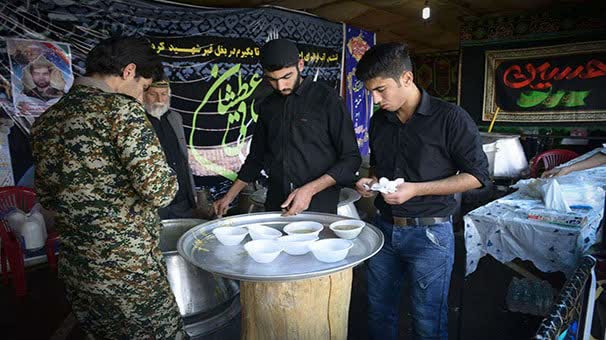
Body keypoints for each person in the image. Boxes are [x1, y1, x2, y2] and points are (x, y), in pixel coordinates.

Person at [31, 37, 183, 339]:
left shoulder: (47, 121)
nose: (141, 96)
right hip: (129, 272)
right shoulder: (121, 112)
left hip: (78, 270)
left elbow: (47, 197)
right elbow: (160, 192)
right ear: (129, 71)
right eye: (143, 87)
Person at [355, 43, 490, 340]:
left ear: (406, 78)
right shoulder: (379, 121)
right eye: (371, 93)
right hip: (384, 231)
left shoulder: (450, 118)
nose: (375, 100)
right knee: (378, 311)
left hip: (430, 236)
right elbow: (378, 168)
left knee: (428, 319)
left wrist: (416, 190)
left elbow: (478, 176)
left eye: (381, 90)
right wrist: (371, 182)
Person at [213, 38, 361, 217]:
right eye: (272, 80)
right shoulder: (268, 105)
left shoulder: (327, 100)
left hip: (318, 207)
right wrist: (229, 197)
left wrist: (310, 190)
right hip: (277, 205)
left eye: (286, 77)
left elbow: (351, 159)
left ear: (301, 65)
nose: (281, 86)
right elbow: (256, 157)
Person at [143, 76, 197, 219]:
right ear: (143, 95)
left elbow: (182, 157)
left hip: (181, 198)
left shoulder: (175, 118)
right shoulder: (137, 121)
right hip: (153, 203)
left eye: (163, 94)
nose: (159, 100)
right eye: (153, 94)